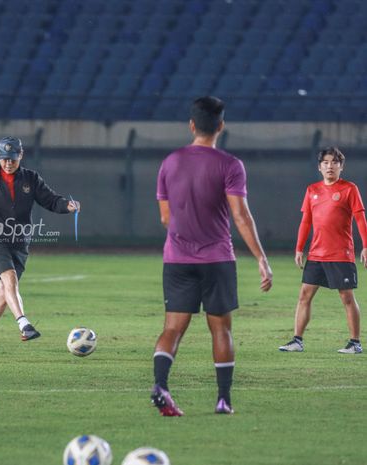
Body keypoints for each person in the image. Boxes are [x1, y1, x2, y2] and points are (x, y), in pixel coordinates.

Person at [151, 96, 273, 416]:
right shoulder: (230, 165)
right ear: (221, 126)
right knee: (221, 330)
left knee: (173, 328)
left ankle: (161, 385)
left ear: (191, 125)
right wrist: (261, 258)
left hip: (176, 259)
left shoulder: (170, 162)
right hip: (217, 260)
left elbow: (165, 217)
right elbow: (241, 216)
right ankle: (223, 399)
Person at [0, 136, 79, 351]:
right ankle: (24, 324)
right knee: (10, 279)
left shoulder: (31, 178)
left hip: (20, 242)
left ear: (20, 155)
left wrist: (68, 205)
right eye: (4, 159)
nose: (8, 163)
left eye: (12, 158)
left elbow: (51, 200)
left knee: (4, 293)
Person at [279, 147, 367, 354]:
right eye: (326, 163)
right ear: (319, 167)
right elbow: (306, 221)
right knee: (304, 296)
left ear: (341, 167)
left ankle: (355, 343)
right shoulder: (312, 190)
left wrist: (366, 246)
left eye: (334, 162)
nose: (330, 166)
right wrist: (299, 248)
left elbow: (360, 219)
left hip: (341, 254)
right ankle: (297, 340)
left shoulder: (349, 189)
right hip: (316, 254)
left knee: (346, 297)